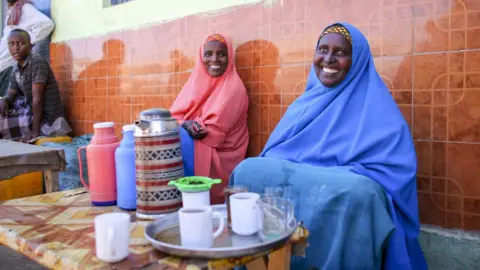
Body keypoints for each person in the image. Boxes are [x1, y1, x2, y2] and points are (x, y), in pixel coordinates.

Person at [230, 23, 427, 270]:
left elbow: (392, 178)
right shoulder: (305, 105)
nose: (328, 59)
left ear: (357, 61)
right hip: (306, 179)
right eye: (323, 49)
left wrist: (339, 176)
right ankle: (260, 262)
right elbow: (276, 153)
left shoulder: (380, 111)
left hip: (346, 187)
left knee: (358, 192)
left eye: (341, 52)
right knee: (247, 169)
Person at [170, 34, 249, 204]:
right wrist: (184, 124)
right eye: (208, 54)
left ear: (230, 57)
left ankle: (176, 198)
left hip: (220, 157)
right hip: (198, 144)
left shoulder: (233, 88)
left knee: (175, 139)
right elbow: (174, 117)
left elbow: (210, 134)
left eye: (221, 54)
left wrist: (184, 125)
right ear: (201, 57)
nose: (215, 59)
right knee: (164, 134)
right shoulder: (197, 81)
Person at [0, 29, 70, 142]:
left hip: (47, 119)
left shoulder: (37, 62)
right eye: (11, 44)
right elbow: (11, 94)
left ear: (30, 46)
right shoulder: (16, 68)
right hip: (31, 113)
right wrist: (4, 101)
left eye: (21, 43)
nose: (16, 48)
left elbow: (38, 99)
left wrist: (35, 132)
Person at [0, 0, 54, 97]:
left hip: (8, 67)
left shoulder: (25, 8)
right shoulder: (11, 11)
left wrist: (25, 42)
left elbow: (47, 25)